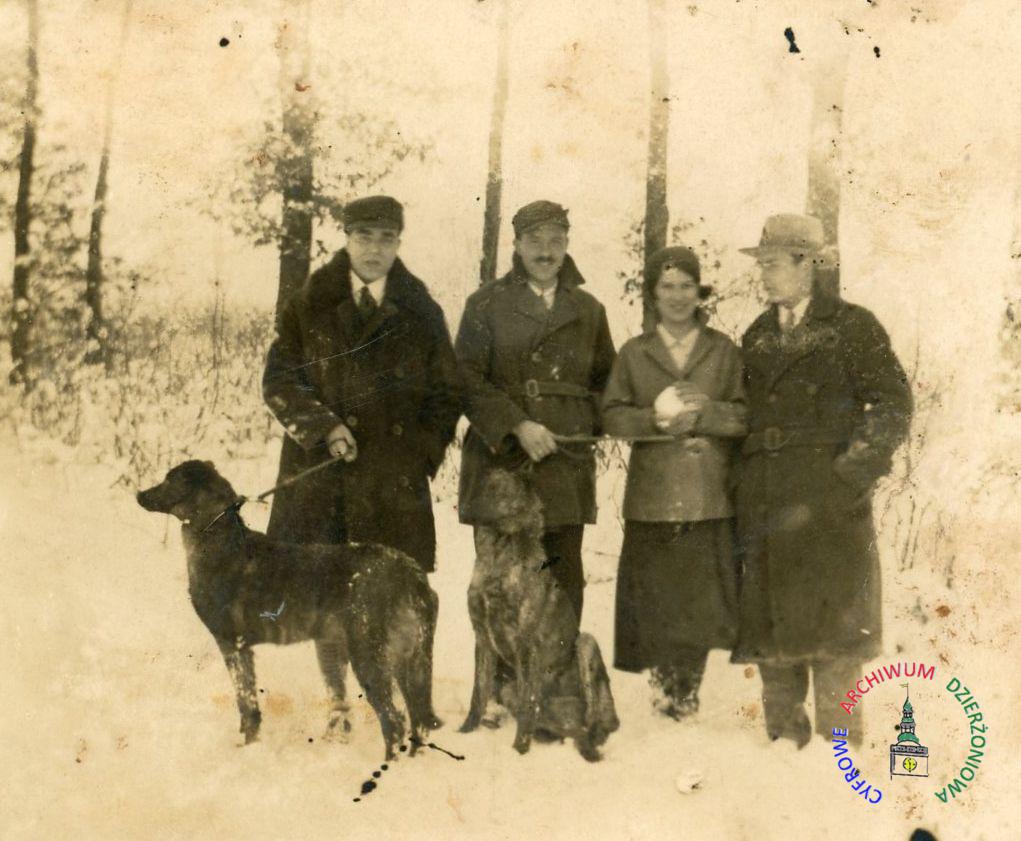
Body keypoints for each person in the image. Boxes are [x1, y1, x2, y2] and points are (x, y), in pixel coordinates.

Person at [732, 214, 913, 747]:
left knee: (836, 638)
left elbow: (893, 404)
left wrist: (852, 473)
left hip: (829, 506)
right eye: (762, 264)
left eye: (771, 263)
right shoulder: (757, 335)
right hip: (768, 504)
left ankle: (840, 756)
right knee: (774, 639)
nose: (763, 274)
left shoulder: (854, 327)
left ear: (806, 265)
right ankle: (783, 749)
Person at [262, 194, 462, 573]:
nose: (374, 249)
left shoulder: (422, 312)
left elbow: (448, 393)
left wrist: (417, 456)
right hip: (318, 484)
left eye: (386, 238)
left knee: (389, 596)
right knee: (318, 596)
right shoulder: (308, 304)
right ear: (347, 238)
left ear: (399, 242)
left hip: (393, 492)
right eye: (364, 236)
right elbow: (278, 381)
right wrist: (325, 427)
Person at [601, 246, 746, 719]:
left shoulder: (723, 350)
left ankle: (687, 690)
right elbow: (612, 415)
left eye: (687, 286)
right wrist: (655, 421)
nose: (678, 296)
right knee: (657, 597)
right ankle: (663, 688)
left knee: (699, 599)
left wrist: (708, 413)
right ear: (653, 294)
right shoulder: (634, 353)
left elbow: (746, 413)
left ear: (699, 292)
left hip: (707, 494)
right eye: (668, 286)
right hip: (654, 496)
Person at [455, 200, 616, 624]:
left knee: (560, 591)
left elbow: (607, 385)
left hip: (564, 469)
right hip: (501, 469)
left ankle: (561, 669)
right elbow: (465, 379)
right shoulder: (485, 305)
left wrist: (584, 424)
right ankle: (498, 672)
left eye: (556, 241)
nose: (546, 252)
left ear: (567, 244)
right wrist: (517, 425)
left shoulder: (589, 310)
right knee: (501, 596)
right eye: (535, 240)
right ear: (517, 244)